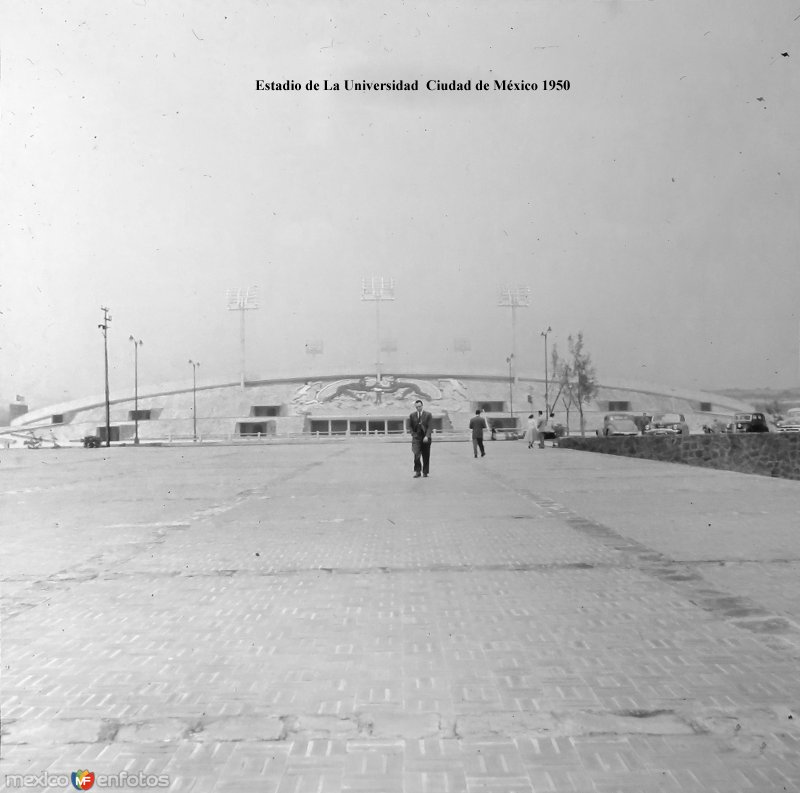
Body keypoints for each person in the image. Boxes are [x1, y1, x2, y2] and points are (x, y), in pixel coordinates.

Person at [408, 399, 433, 478]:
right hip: (416, 438)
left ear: (422, 406)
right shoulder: (412, 415)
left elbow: (430, 426)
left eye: (419, 406)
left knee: (426, 455)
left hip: (425, 438)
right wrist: (413, 434)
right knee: (416, 455)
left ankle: (425, 472)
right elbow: (409, 426)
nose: (418, 408)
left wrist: (427, 436)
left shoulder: (428, 415)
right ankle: (418, 471)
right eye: (417, 407)